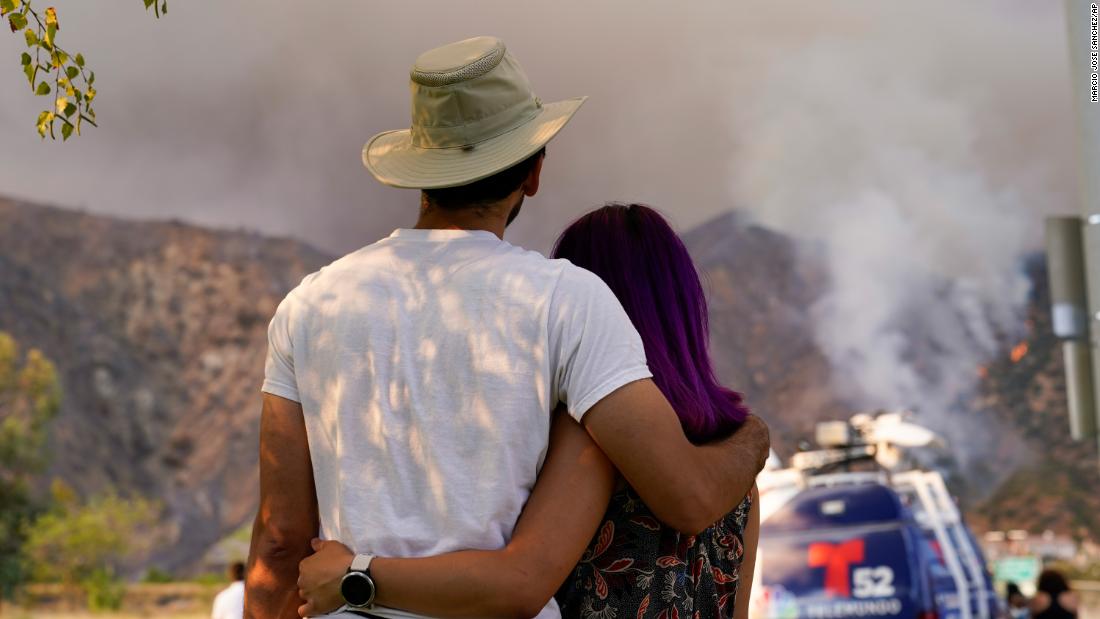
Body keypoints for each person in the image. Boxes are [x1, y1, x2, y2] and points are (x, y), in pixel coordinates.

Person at [245, 35, 769, 619]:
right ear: (534, 172)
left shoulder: (310, 305)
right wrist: (754, 437)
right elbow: (688, 496)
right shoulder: (565, 300)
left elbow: (279, 543)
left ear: (423, 172)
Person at [296, 204, 761, 619]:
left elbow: (516, 581)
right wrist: (755, 435)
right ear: (684, 306)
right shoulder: (732, 467)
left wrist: (351, 577)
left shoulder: (587, 441)